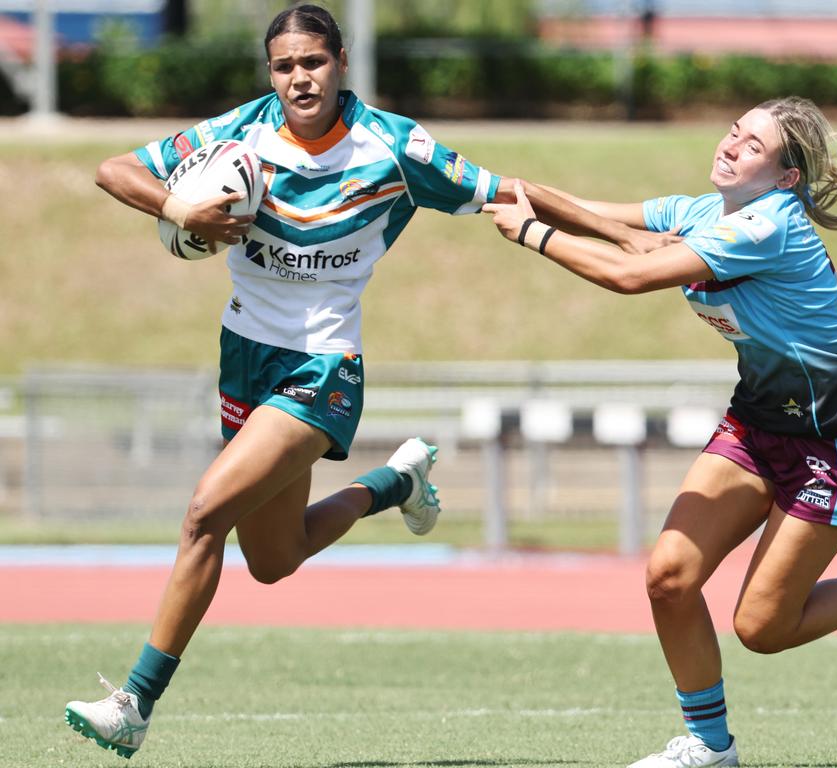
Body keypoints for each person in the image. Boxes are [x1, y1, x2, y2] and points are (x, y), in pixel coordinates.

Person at [61, 4, 535, 759]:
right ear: (270, 72)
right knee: (274, 560)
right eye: (284, 66)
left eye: (312, 62)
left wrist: (632, 231)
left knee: (203, 512)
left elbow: (506, 191)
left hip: (324, 367)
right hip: (246, 354)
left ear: (340, 61)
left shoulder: (395, 145)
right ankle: (396, 483)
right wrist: (180, 205)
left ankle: (134, 704)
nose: (299, 78)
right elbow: (112, 169)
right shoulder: (237, 132)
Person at [484, 96, 837, 768]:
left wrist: (530, 233)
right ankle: (710, 746)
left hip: (831, 445)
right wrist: (475, 183)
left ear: (786, 177)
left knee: (761, 628)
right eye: (734, 131)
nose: (730, 146)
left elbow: (632, 272)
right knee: (669, 577)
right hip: (755, 424)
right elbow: (606, 219)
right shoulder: (704, 211)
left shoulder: (767, 228)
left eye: (752, 145)